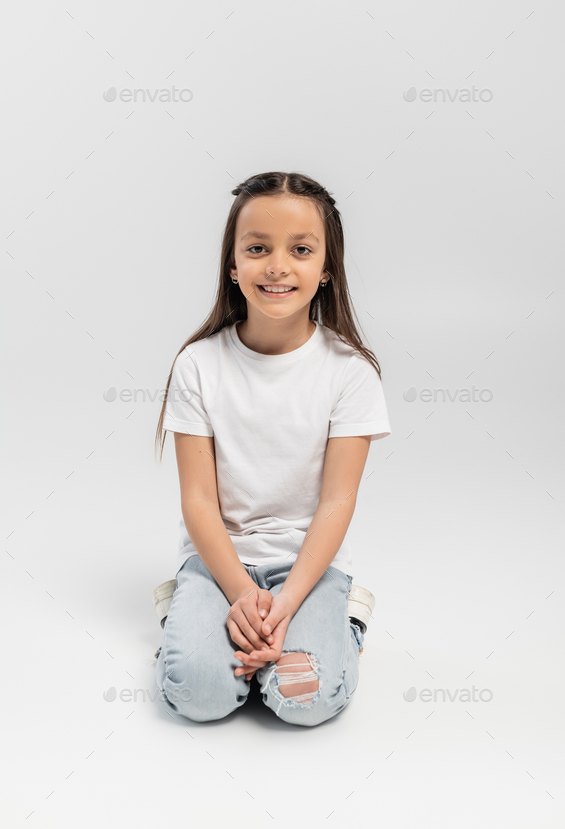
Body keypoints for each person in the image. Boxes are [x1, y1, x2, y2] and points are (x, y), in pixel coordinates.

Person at [152, 170, 391, 727]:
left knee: (304, 702)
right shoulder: (198, 365)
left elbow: (336, 503)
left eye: (300, 250)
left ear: (326, 268)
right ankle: (186, 616)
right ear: (233, 266)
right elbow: (198, 502)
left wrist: (284, 606)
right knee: (199, 698)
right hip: (217, 564)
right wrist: (239, 595)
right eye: (257, 248)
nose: (278, 266)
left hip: (308, 565)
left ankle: (344, 620)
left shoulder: (351, 373)